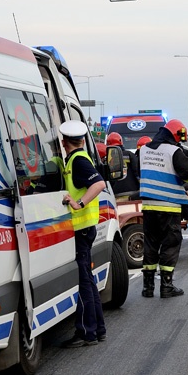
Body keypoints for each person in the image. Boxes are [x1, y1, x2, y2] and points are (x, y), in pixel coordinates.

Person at [57, 121, 108, 348]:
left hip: (81, 229)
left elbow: (98, 184)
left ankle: (87, 332)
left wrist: (78, 203)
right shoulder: (76, 159)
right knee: (87, 278)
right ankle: (98, 329)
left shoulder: (78, 160)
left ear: (64, 141)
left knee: (84, 281)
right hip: (84, 228)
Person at [138, 119, 188, 298]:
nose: (180, 142)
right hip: (169, 207)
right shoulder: (175, 151)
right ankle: (166, 285)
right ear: (175, 134)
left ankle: (147, 287)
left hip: (148, 207)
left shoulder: (144, 150)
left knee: (150, 244)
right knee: (170, 244)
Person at [108, 131, 139, 198]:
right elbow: (137, 171)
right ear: (121, 142)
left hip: (116, 194)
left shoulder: (109, 160)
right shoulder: (130, 154)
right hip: (132, 192)